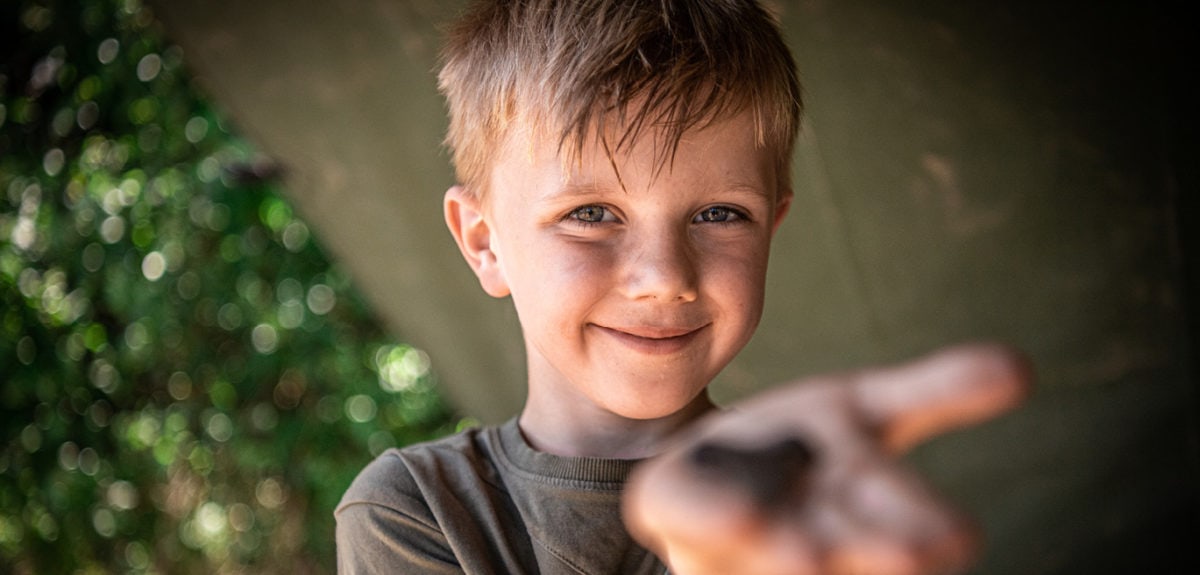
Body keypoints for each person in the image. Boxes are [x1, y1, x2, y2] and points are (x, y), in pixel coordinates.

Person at [334, 0, 1030, 573]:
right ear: (485, 242)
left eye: (719, 214)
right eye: (591, 214)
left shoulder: (817, 503)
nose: (665, 278)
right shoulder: (417, 510)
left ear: (772, 226)